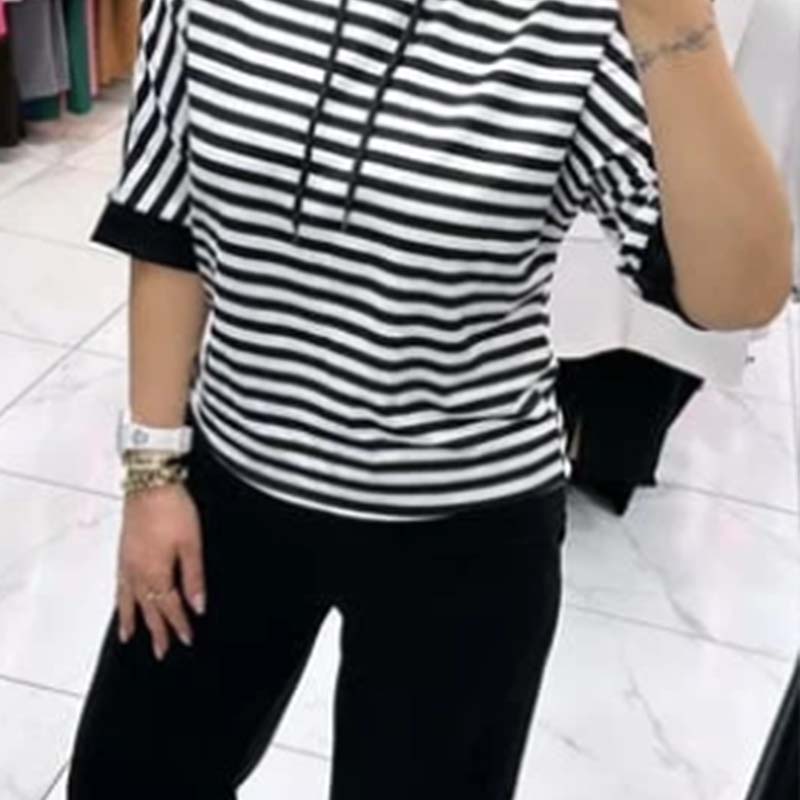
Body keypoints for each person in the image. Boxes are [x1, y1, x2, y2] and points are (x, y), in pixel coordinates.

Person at [66, 0, 792, 797]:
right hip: (228, 489)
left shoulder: (577, 27)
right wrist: (151, 474)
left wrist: (673, 24)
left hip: (464, 531)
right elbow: (166, 224)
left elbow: (736, 295)